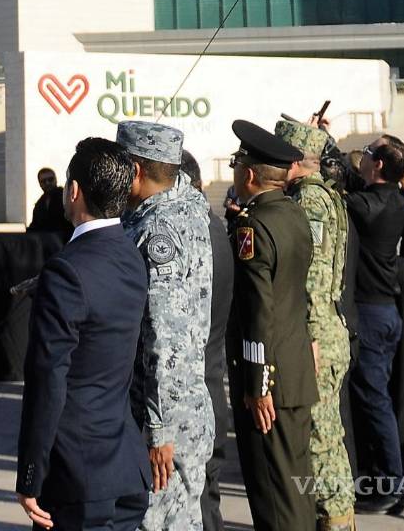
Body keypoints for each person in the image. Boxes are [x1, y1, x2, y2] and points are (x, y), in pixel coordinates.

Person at [15, 137, 151, 531]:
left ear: (73, 191)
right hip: (125, 464)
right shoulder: (130, 255)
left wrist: (30, 475)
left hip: (79, 476)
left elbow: (47, 380)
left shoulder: (66, 271)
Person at [113, 122, 213, 531]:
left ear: (135, 171)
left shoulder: (160, 231)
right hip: (179, 407)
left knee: (159, 523)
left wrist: (159, 429)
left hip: (167, 415)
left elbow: (165, 338)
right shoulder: (183, 202)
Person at [226, 120, 317, 531]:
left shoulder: (253, 225)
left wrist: (257, 383)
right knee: (294, 489)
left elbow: (259, 310)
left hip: (270, 379)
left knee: (273, 495)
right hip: (294, 366)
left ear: (247, 173)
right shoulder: (295, 215)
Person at [276, 120, 355, 531]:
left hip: (318, 333)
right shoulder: (319, 194)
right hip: (326, 329)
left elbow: (314, 272)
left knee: (321, 438)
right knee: (326, 432)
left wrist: (307, 335)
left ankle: (336, 520)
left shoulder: (310, 201)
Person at [347, 135, 404, 516]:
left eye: (368, 153)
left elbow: (343, 194)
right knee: (374, 400)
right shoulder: (390, 200)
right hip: (383, 311)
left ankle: (391, 484)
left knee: (375, 402)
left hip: (372, 315)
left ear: (380, 166)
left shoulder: (371, 206)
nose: (363, 158)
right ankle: (382, 478)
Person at [180, 152, 233, 531]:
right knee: (206, 499)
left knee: (194, 502)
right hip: (209, 390)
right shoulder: (213, 226)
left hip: (190, 400)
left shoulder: (189, 236)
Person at [27, 167, 74, 243]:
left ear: (56, 179)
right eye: (43, 181)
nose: (47, 183)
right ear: (39, 183)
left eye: (50, 179)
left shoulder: (66, 197)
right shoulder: (40, 204)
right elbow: (35, 225)